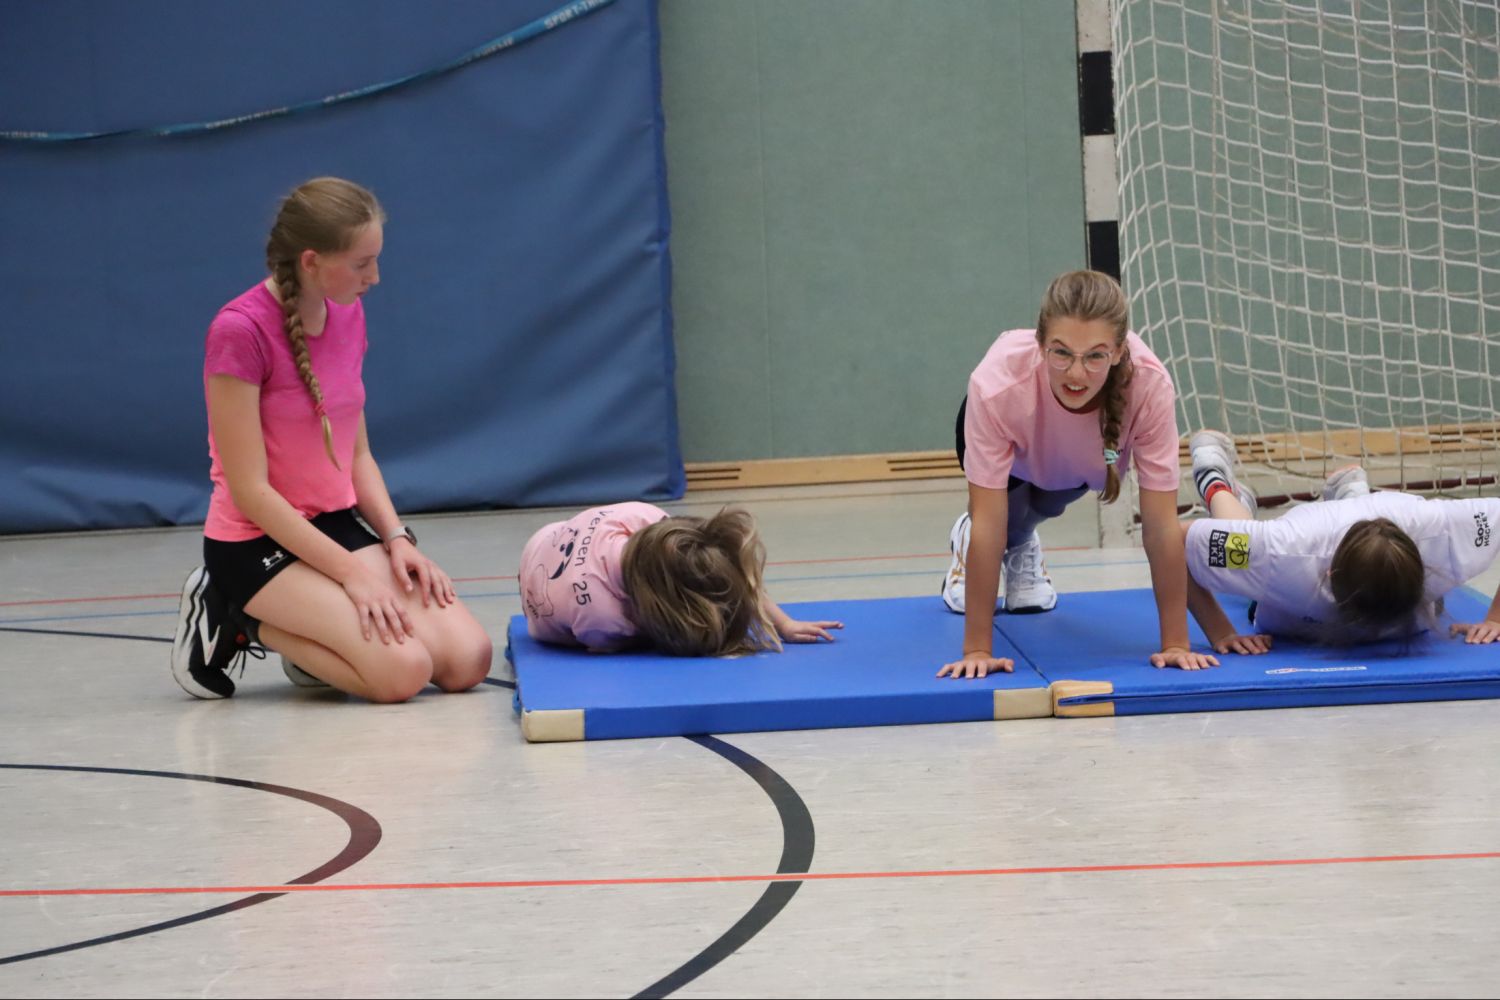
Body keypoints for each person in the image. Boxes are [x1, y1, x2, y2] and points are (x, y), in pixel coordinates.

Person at [170, 177, 492, 703]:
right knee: (402, 672)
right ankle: (234, 614)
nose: (375, 277)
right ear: (311, 261)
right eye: (362, 263)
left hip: (332, 524)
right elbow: (250, 492)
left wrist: (396, 539)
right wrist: (352, 576)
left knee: (466, 660)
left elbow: (357, 453)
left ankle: (320, 639)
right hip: (254, 542)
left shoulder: (348, 311)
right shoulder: (239, 331)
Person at [937, 270, 1217, 679]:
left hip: (1071, 463)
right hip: (1011, 447)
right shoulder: (996, 385)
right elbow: (990, 524)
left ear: (1119, 351)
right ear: (1040, 344)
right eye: (1062, 353)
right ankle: (972, 539)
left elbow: (1160, 527)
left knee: (1045, 502)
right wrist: (977, 649)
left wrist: (1176, 643)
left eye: (1095, 356)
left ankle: (1022, 540)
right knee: (1001, 518)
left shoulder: (1150, 386)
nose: (1076, 373)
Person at [1183, 430, 1500, 646]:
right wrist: (1220, 631)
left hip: (1383, 516)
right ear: (1329, 576)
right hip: (1302, 547)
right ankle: (1214, 475)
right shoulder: (1283, 551)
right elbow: (1177, 540)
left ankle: (1352, 492)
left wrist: (1496, 619)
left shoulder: (1441, 532)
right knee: (1239, 541)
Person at [519, 502, 842, 655]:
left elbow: (726, 572)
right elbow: (601, 648)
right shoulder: (604, 618)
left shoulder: (642, 516)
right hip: (540, 603)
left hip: (543, 540)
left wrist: (783, 622)